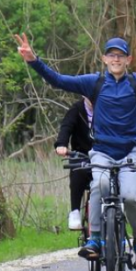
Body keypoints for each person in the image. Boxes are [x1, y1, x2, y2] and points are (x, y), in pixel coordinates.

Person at [15, 33, 136, 266]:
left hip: (131, 151)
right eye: (112, 55)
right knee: (98, 186)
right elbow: (58, 80)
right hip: (102, 151)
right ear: (104, 58)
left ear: (129, 60)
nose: (116, 59)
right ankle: (95, 240)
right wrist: (33, 60)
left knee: (130, 197)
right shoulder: (94, 83)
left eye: (120, 56)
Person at [54, 97, 94, 230]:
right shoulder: (76, 109)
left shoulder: (107, 107)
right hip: (81, 153)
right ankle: (75, 211)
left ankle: (116, 210)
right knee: (78, 171)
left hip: (103, 153)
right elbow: (66, 127)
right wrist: (61, 145)